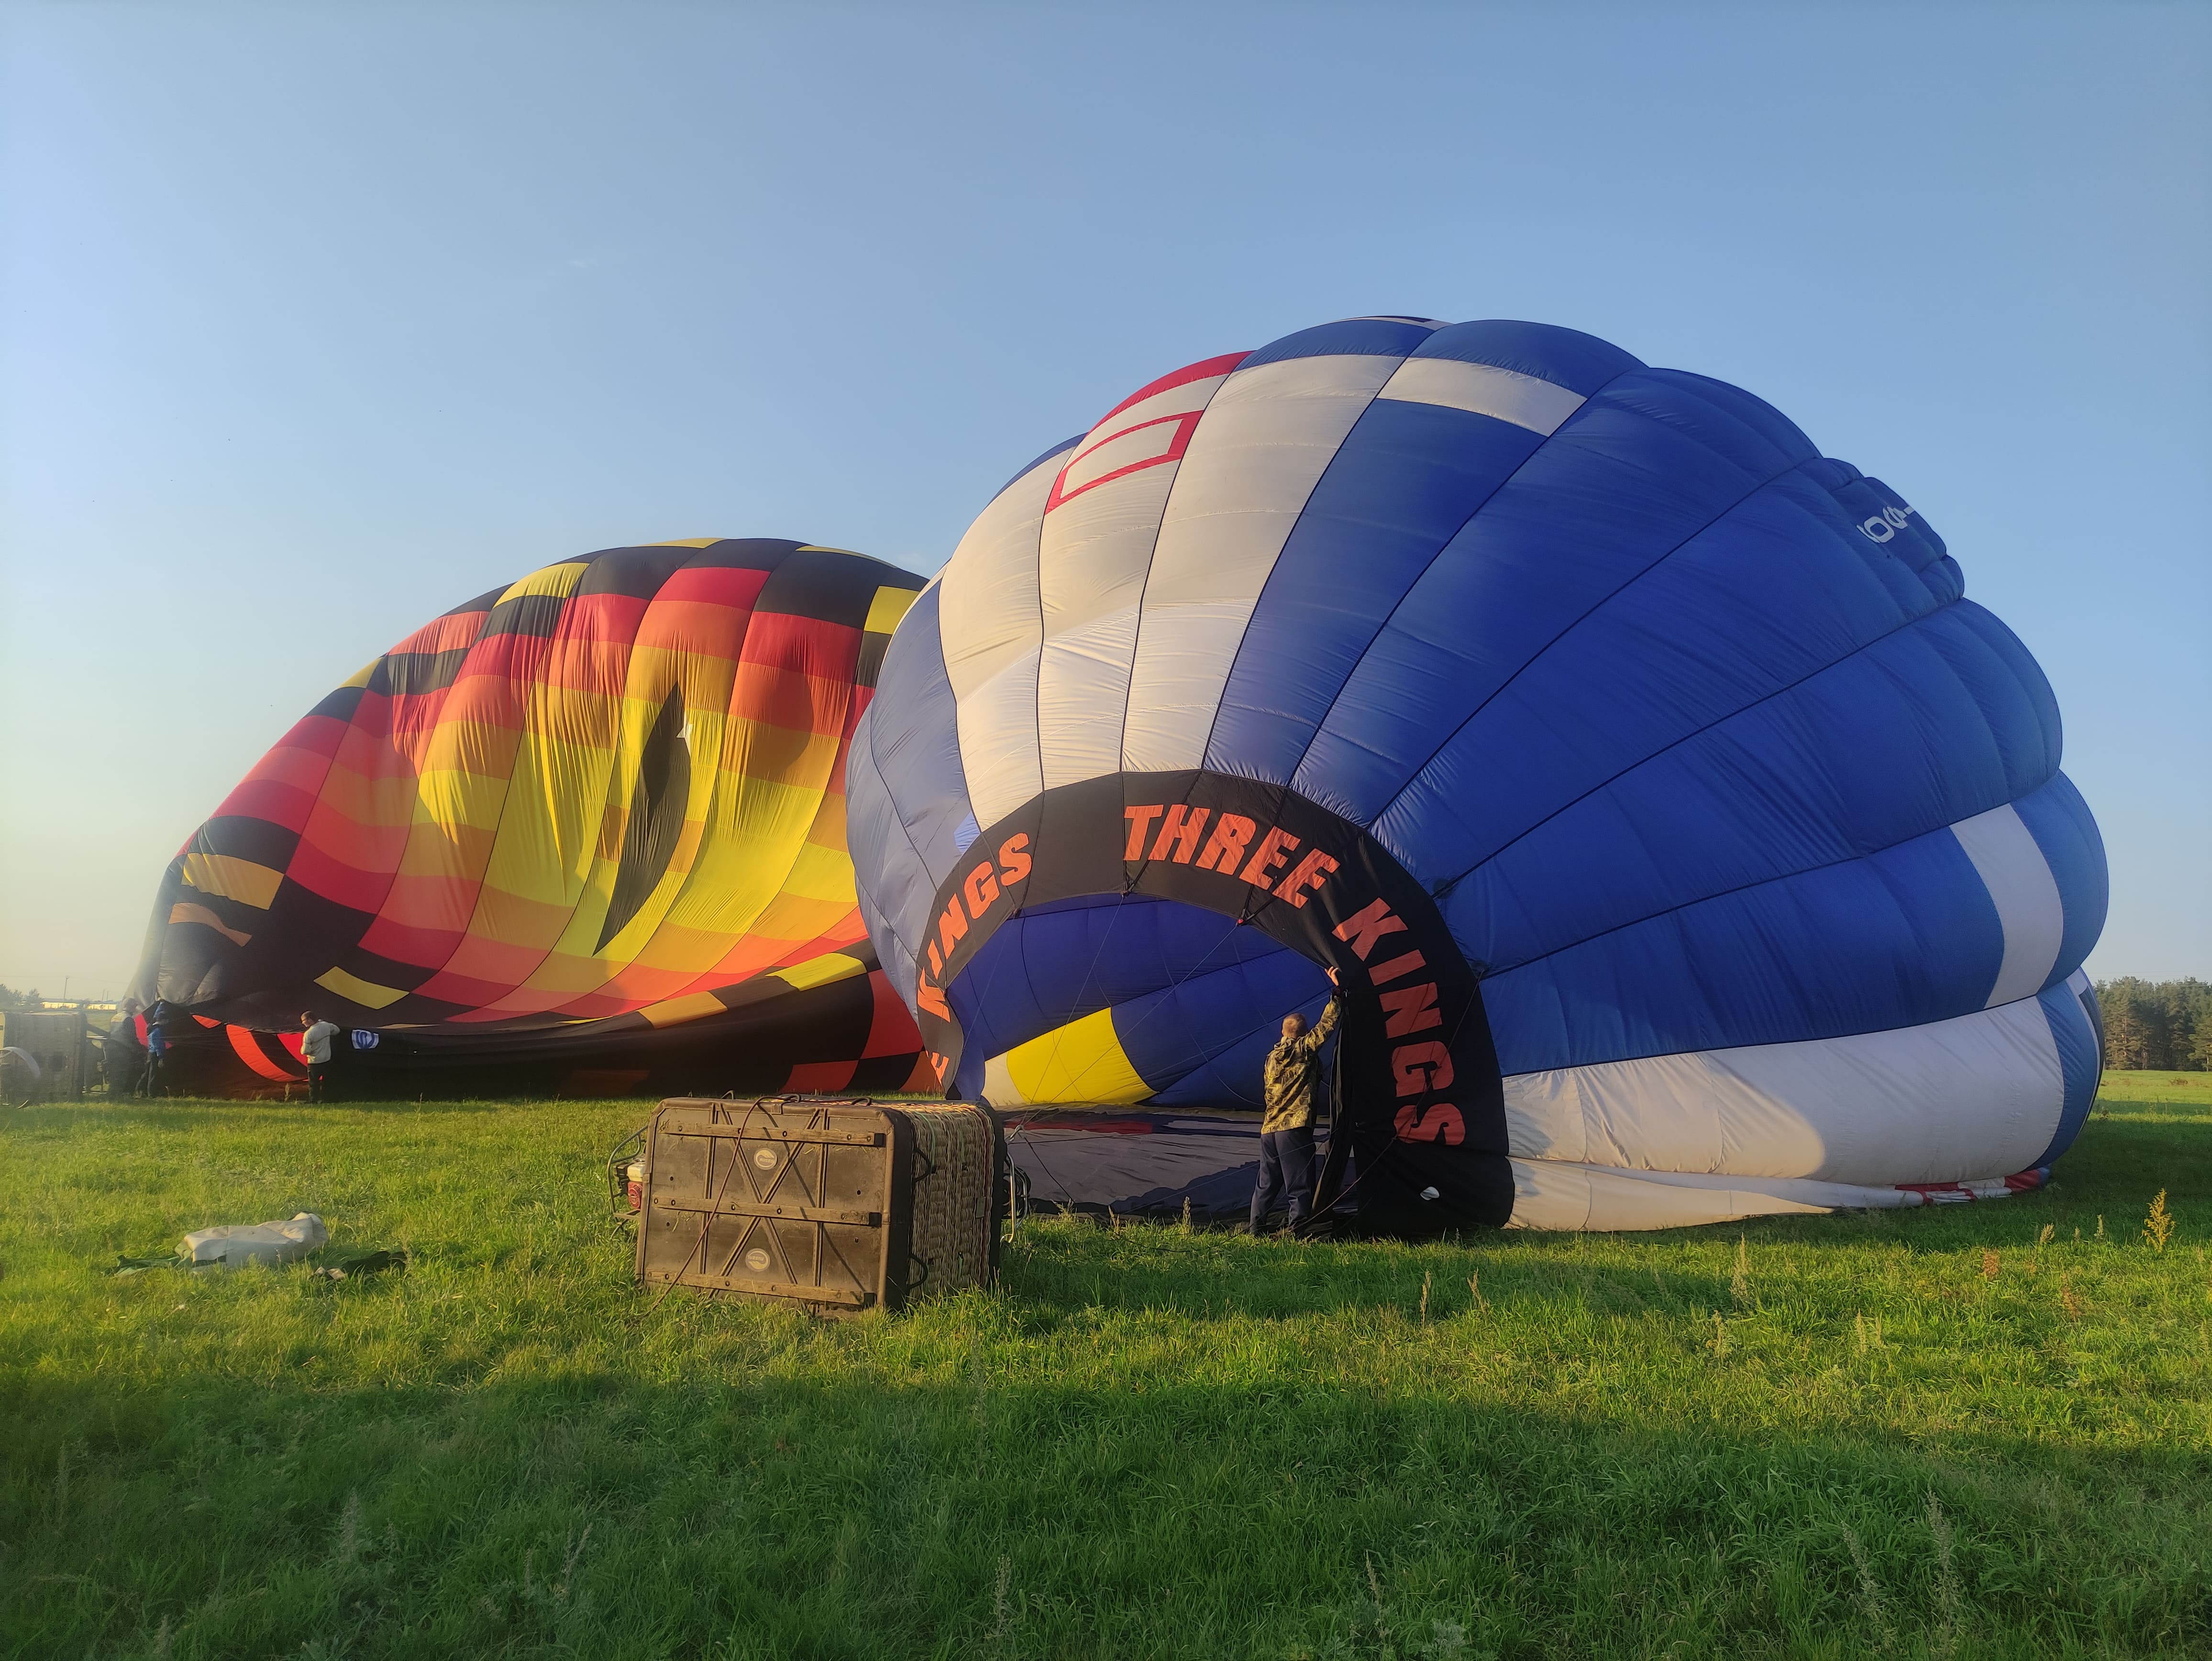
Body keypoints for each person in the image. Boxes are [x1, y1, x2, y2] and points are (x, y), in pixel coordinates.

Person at [1249, 968, 1342, 1235]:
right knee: (1299, 1183)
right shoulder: (1303, 1050)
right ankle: (1298, 1230)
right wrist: (1337, 994)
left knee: (1266, 1184)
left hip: (1269, 1129)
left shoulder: (1270, 1058)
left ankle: (1256, 1230)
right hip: (1294, 1127)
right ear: (1301, 1035)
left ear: (1282, 1032)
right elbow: (1325, 1028)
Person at [300, 1012, 342, 1103]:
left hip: (314, 1062)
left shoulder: (309, 1034)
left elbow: (305, 1051)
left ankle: (313, 1101)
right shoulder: (326, 1025)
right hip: (327, 1060)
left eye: (304, 1021)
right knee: (327, 1082)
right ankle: (327, 1100)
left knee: (313, 1083)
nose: (303, 1023)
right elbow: (337, 1031)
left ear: (310, 1020)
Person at [107, 1000, 145, 1097]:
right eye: (135, 1007)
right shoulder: (128, 1019)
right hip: (123, 1048)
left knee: (114, 1072)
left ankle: (112, 1093)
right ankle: (122, 1094)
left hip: (112, 1046)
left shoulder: (116, 1017)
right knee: (123, 1072)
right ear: (131, 1007)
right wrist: (141, 1049)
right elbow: (132, 1037)